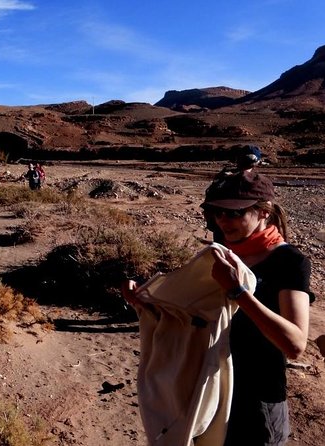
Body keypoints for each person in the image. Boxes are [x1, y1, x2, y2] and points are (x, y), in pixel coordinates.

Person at [123, 170, 312, 445]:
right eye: (216, 212)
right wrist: (146, 302)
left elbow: (295, 344)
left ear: (264, 212)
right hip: (207, 389)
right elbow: (195, 314)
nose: (224, 220)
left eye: (235, 212)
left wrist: (238, 291)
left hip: (257, 399)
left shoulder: (290, 262)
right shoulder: (221, 254)